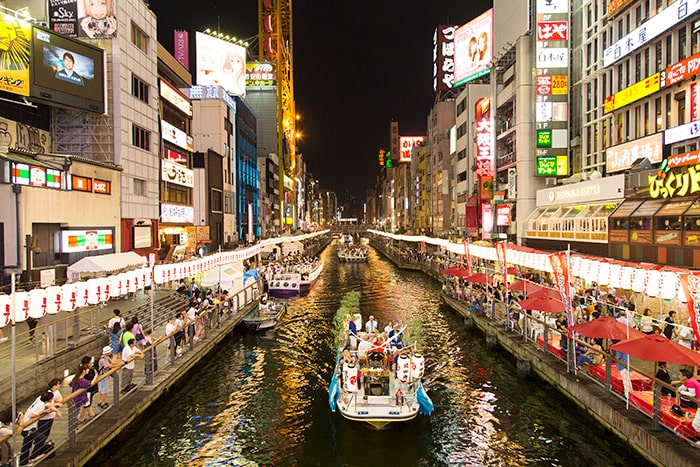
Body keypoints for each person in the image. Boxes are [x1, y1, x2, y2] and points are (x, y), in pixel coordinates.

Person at [19, 392, 57, 466]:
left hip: (28, 427)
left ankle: (23, 462)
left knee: (27, 446)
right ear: (49, 399)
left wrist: (44, 411)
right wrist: (41, 412)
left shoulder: (39, 400)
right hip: (28, 428)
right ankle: (33, 457)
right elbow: (32, 414)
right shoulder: (41, 404)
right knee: (41, 438)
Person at [37, 379, 62, 450]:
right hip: (45, 418)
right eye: (58, 384)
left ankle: (41, 447)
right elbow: (47, 404)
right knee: (42, 434)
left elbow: (60, 398)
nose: (59, 386)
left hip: (50, 416)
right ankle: (39, 449)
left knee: (46, 433)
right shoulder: (48, 394)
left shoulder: (56, 392)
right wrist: (56, 408)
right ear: (54, 385)